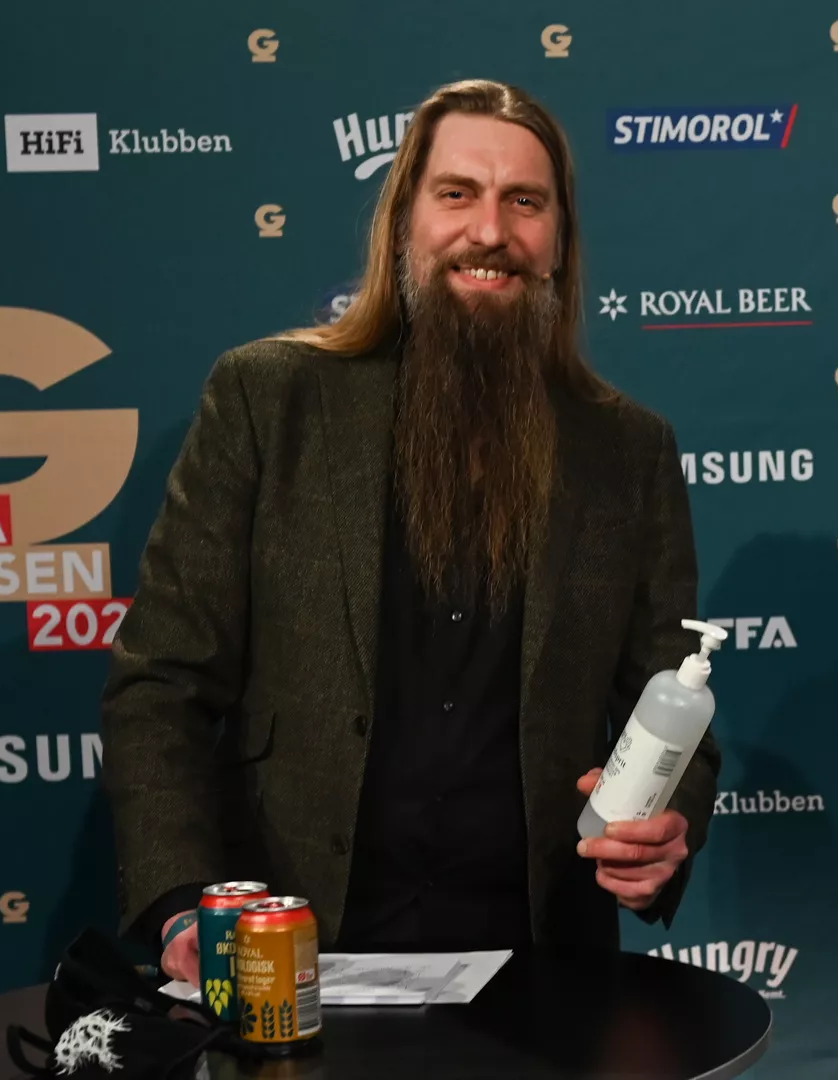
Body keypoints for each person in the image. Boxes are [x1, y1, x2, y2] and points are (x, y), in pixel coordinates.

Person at [99, 79, 718, 984]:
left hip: (544, 970)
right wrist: (180, 896)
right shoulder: (268, 400)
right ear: (401, 224)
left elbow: (673, 696)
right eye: (457, 194)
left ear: (559, 243)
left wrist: (665, 832)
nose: (490, 231)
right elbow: (161, 681)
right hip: (294, 950)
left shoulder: (630, 449)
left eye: (525, 202)